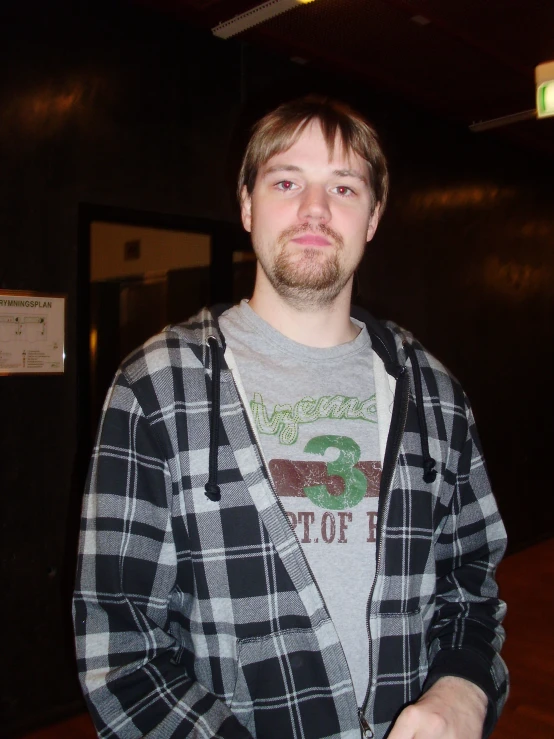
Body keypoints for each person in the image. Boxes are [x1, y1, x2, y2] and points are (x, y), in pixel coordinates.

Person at [73, 96, 508, 739]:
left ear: (373, 217)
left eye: (343, 186)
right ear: (247, 205)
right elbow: (120, 647)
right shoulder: (156, 389)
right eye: (286, 181)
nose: (314, 209)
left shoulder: (436, 395)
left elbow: (471, 587)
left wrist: (462, 692)